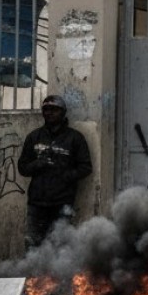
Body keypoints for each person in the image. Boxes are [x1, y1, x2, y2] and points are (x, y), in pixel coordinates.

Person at [18, 94, 92, 249]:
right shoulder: (34, 137)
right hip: (37, 203)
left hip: (62, 203)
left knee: (60, 248)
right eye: (46, 109)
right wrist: (37, 164)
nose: (49, 113)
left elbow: (86, 167)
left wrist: (66, 176)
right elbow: (22, 168)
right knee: (33, 247)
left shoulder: (75, 138)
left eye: (54, 109)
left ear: (63, 112)